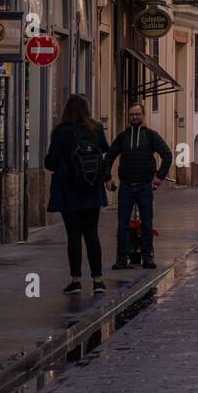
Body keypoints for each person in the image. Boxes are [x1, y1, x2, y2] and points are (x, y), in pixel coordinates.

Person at [44, 94, 110, 295]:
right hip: (91, 189)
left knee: (74, 236)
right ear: (86, 109)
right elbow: (105, 151)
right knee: (92, 234)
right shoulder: (96, 128)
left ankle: (76, 281)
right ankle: (98, 281)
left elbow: (50, 163)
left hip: (69, 191)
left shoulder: (61, 132)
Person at [105, 101, 172, 270]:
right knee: (123, 225)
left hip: (144, 186)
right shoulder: (122, 137)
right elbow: (109, 157)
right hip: (126, 186)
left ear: (143, 116)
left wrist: (159, 177)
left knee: (147, 224)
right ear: (128, 116)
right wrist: (107, 177)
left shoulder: (150, 135)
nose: (134, 117)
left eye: (137, 114)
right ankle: (121, 259)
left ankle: (148, 258)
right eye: (132, 114)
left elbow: (167, 154)